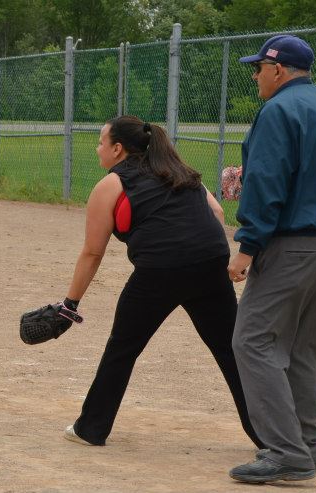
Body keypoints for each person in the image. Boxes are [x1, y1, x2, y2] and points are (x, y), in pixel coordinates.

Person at [59, 115, 263, 451]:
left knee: (123, 347)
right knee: (231, 349)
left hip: (160, 271)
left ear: (118, 148)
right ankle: (269, 435)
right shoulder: (178, 170)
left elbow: (93, 252)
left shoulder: (111, 184)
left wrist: (70, 304)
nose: (98, 148)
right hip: (210, 263)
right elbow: (216, 214)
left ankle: (91, 428)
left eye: (101, 142)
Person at [227, 35, 316, 484]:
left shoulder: (278, 111)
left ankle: (287, 453)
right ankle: (309, 446)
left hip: (291, 246)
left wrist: (245, 248)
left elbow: (266, 183)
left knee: (252, 342)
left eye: (259, 68)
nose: (255, 76)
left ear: (279, 70)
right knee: (304, 351)